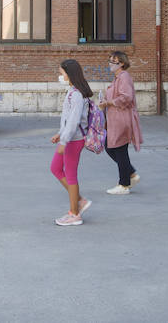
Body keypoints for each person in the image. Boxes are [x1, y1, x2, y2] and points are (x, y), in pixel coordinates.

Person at [50, 59, 94, 226]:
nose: (60, 76)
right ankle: (79, 201)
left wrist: (64, 141)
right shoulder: (73, 91)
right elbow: (67, 119)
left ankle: (75, 214)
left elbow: (74, 121)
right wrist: (60, 134)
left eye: (62, 73)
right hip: (68, 138)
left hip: (73, 140)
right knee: (55, 168)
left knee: (70, 175)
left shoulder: (76, 94)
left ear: (70, 74)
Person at [99, 51, 143, 194]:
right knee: (111, 147)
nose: (110, 64)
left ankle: (123, 185)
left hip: (122, 119)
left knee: (119, 149)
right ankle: (131, 174)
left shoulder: (124, 77)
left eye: (114, 61)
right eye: (110, 60)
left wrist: (109, 102)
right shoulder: (117, 78)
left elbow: (126, 97)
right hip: (115, 119)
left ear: (122, 63)